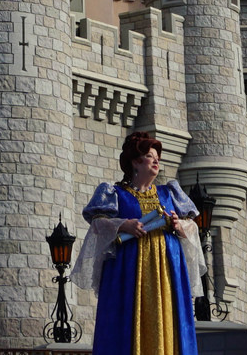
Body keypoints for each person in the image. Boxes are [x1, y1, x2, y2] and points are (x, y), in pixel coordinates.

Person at [77, 130, 205, 355]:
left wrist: (179, 225)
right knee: (128, 319)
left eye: (157, 157)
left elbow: (193, 226)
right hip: (128, 271)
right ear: (136, 162)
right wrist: (123, 225)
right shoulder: (115, 193)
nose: (157, 160)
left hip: (166, 271)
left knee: (165, 317)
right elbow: (97, 224)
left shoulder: (169, 193)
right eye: (150, 156)